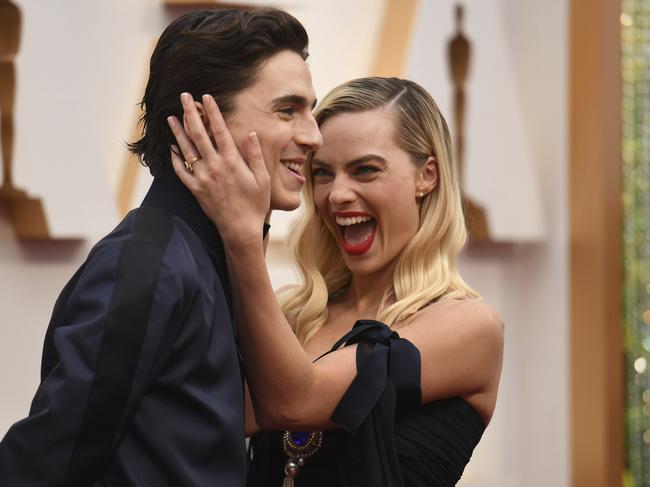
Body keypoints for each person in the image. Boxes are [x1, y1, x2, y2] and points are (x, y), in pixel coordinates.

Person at [0, 7, 321, 486]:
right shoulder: (148, 263)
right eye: (287, 109)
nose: (313, 136)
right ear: (199, 120)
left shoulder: (205, 258)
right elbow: (46, 465)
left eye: (310, 111)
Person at [168, 77, 504, 486]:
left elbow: (294, 402)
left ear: (426, 176)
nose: (337, 194)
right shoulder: (295, 315)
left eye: (365, 170)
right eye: (322, 173)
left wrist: (243, 233)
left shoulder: (471, 327)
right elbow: (212, 418)